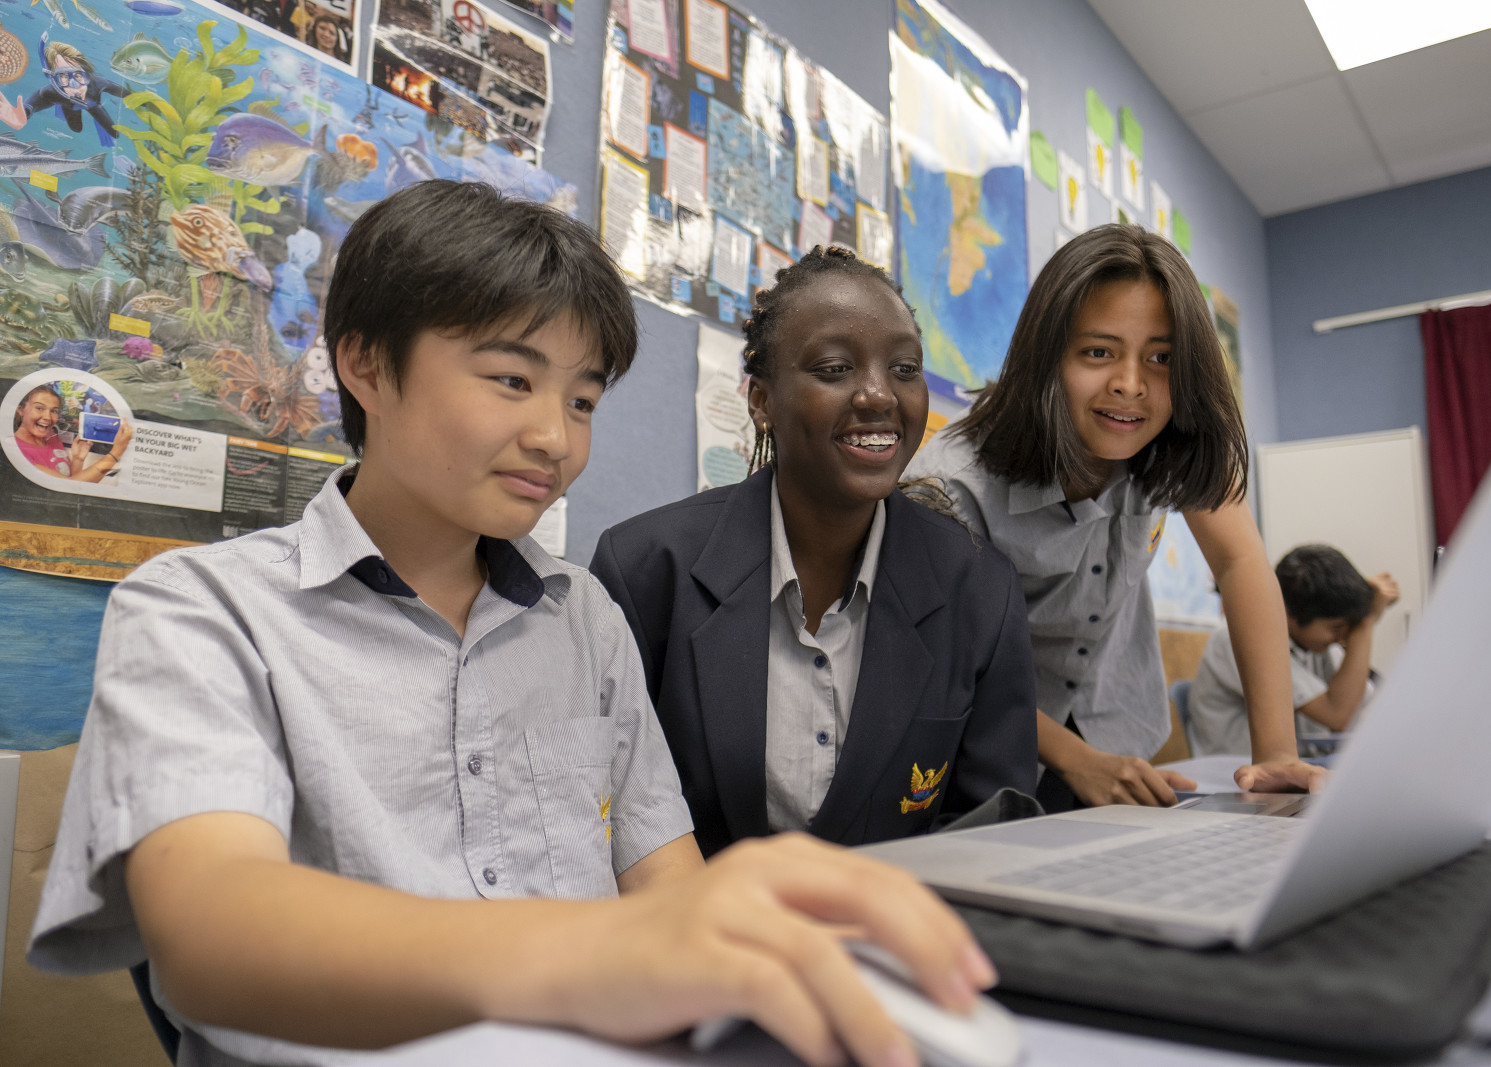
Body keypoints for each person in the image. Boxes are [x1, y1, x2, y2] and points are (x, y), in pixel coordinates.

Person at [28, 184, 995, 1067]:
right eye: (510, 380)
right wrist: (600, 956)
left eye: (583, 400)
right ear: (365, 363)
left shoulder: (586, 620)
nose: (555, 437)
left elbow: (666, 885)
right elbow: (211, 939)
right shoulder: (201, 610)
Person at [592, 245, 1038, 856]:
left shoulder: (981, 590)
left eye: (904, 368)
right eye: (834, 368)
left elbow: (992, 833)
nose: (879, 394)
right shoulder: (645, 569)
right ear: (761, 402)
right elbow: (602, 817)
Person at [906, 224, 1323, 809]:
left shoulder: (1172, 442)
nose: (1130, 385)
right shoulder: (950, 485)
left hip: (1114, 725)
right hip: (984, 742)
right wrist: (1078, 762)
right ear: (1046, 356)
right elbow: (947, 659)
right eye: (1098, 352)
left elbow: (1240, 561)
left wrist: (1277, 753)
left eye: (1161, 358)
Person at [1188, 545, 1400, 757]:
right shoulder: (1238, 635)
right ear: (1289, 613)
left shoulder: (1314, 643)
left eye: (1349, 628)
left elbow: (1359, 706)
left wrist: (1361, 612)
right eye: (1336, 628)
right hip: (1234, 769)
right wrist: (1366, 623)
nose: (1343, 637)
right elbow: (1338, 715)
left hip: (1295, 764)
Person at [0, 40, 131, 146]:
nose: (74, 85)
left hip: (93, 104)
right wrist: (23, 114)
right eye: (63, 76)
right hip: (68, 105)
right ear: (54, 79)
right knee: (76, 128)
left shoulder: (97, 83)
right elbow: (32, 104)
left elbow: (126, 93)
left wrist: (141, 101)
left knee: (114, 133)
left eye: (78, 75)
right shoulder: (51, 92)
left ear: (87, 73)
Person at [11, 384, 132, 482]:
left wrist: (78, 459)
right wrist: (116, 453)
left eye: (54, 411)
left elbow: (72, 484)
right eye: (39, 408)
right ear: (21, 409)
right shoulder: (17, 451)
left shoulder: (51, 436)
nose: (47, 417)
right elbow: (70, 486)